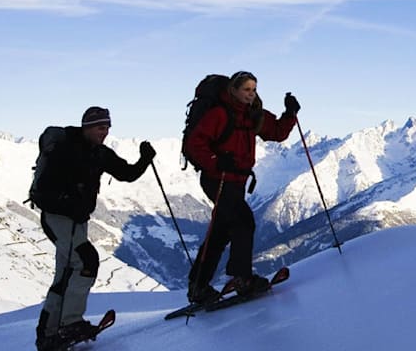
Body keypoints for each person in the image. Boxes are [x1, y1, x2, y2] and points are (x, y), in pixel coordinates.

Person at [32, 106, 156, 351]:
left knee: (66, 274)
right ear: (87, 126)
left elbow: (126, 173)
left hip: (76, 220)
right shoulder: (65, 149)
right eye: (101, 127)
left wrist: (144, 159)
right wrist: (69, 204)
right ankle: (70, 323)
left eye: (108, 127)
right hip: (59, 217)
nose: (105, 132)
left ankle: (48, 334)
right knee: (86, 261)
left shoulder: (98, 152)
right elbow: (42, 192)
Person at [184, 71, 299, 304]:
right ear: (233, 90)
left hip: (237, 180)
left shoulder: (252, 114)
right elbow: (193, 145)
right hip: (218, 178)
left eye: (254, 89)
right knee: (243, 221)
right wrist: (216, 162)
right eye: (246, 89)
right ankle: (242, 278)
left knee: (221, 232)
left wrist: (290, 114)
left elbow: (276, 132)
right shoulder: (219, 114)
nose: (251, 94)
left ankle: (199, 286)